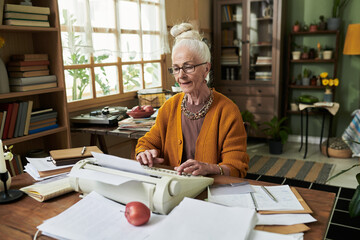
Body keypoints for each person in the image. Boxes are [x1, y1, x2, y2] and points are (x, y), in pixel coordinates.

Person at [135, 23, 249, 177]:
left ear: (206, 69)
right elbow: (147, 142)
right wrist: (144, 153)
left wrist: (211, 168)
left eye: (188, 67)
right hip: (172, 189)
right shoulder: (169, 107)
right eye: (176, 68)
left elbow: (237, 166)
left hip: (211, 191)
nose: (181, 75)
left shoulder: (227, 111)